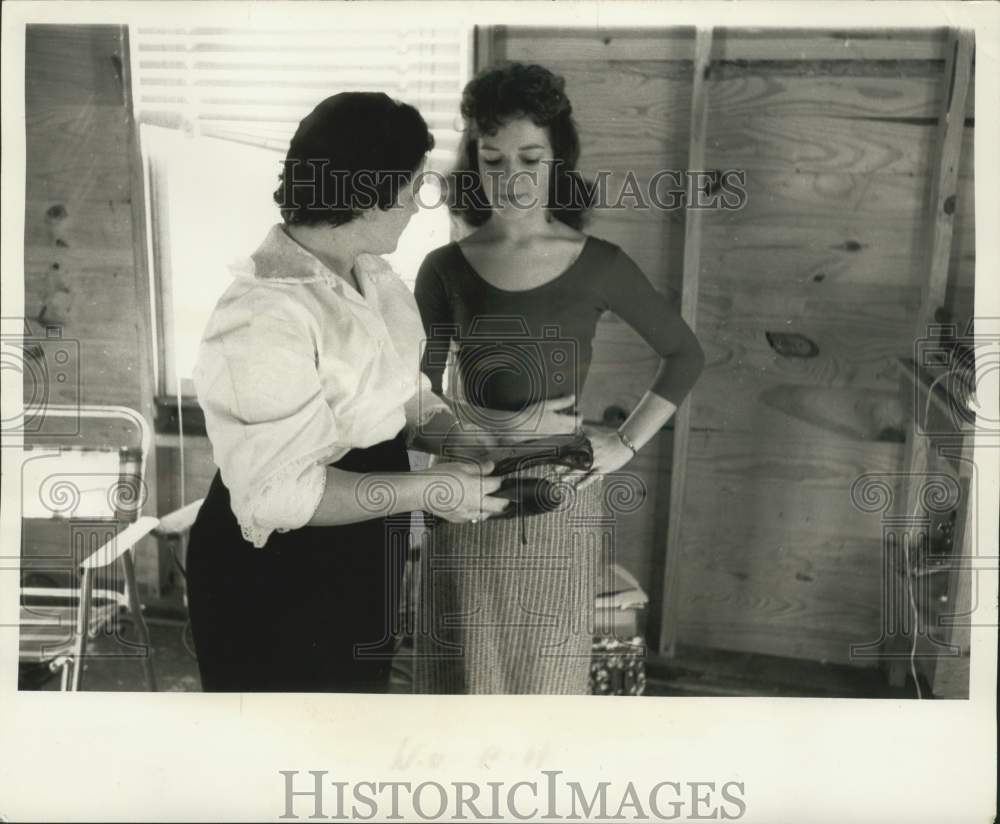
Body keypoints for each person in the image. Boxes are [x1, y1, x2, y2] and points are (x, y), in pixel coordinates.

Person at [184, 92, 507, 693]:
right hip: (278, 568)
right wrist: (433, 488)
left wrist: (457, 435)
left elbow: (400, 392)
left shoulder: (371, 274)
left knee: (352, 721)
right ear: (369, 190)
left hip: (364, 542)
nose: (417, 202)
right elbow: (282, 496)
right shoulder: (263, 312)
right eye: (411, 185)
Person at [413, 63, 705, 694]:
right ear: (473, 160)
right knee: (458, 684)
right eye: (492, 159)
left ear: (557, 160)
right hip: (467, 493)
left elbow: (685, 354)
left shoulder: (599, 264)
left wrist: (624, 443)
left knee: (543, 687)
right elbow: (415, 393)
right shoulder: (443, 269)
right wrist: (457, 440)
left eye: (530, 158)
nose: (511, 180)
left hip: (558, 498)